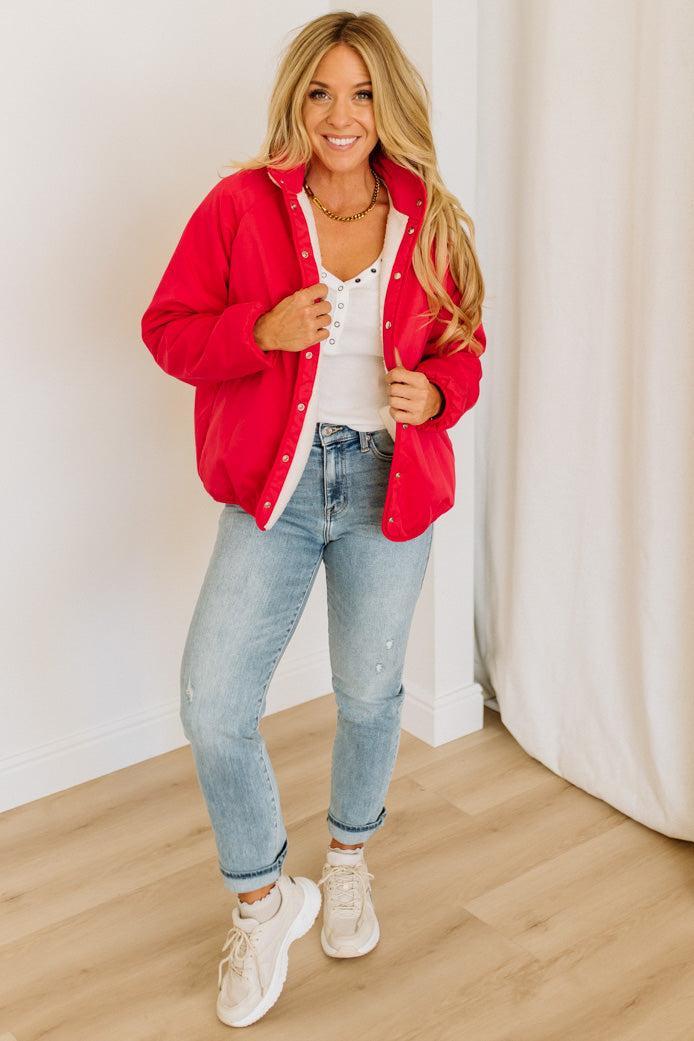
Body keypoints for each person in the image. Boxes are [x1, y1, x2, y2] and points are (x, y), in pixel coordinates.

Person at [140, 10, 486, 1029]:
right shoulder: (239, 206)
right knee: (213, 703)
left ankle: (345, 861)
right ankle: (262, 899)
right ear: (296, 99)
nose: (342, 115)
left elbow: (465, 340)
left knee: (371, 694)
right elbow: (166, 331)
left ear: (390, 104)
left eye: (363, 93)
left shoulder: (432, 214)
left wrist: (438, 392)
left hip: (392, 488)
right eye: (322, 92)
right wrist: (257, 329)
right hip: (275, 496)